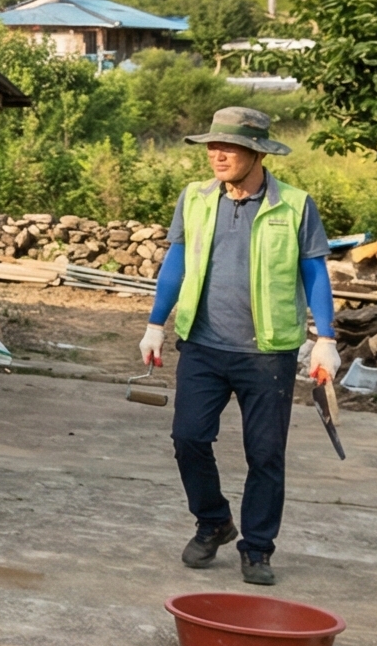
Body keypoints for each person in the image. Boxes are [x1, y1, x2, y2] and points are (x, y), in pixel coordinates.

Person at [137, 106, 337, 588]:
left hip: (267, 352)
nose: (217, 154)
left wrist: (325, 338)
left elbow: (314, 272)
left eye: (229, 147)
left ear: (257, 153)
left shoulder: (293, 205)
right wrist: (155, 324)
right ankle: (213, 521)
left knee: (265, 455)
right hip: (203, 345)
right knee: (188, 439)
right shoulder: (195, 199)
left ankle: (258, 548)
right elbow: (176, 261)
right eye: (213, 145)